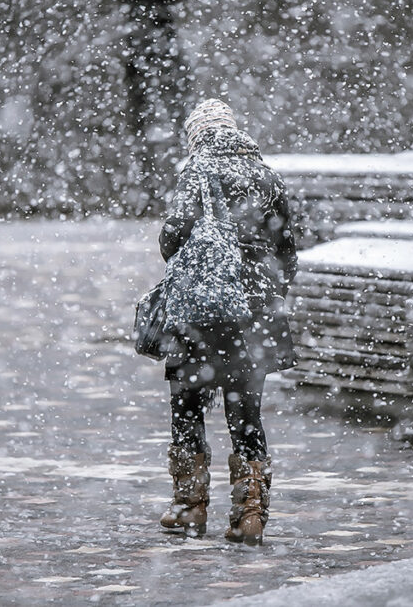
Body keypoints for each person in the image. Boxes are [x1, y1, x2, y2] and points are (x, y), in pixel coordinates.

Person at [158, 98, 298, 545]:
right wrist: (264, 292)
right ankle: (249, 515)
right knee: (246, 412)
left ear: (196, 135)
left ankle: (189, 507)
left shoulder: (196, 171)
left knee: (187, 404)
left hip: (201, 310)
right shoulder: (266, 174)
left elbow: (172, 236)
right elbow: (287, 249)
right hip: (251, 314)